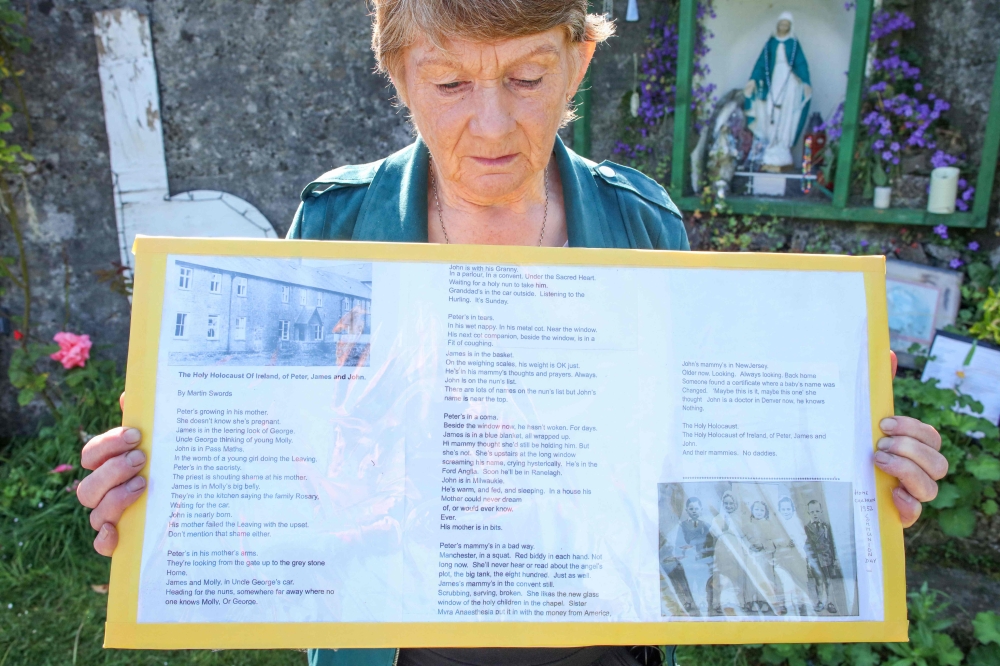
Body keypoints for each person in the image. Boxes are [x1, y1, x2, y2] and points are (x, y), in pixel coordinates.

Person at [74, 1, 950, 664]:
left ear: (578, 62)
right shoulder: (338, 222)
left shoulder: (643, 224)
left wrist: (843, 485)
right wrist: (168, 493)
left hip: (602, 645)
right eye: (450, 82)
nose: (491, 125)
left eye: (527, 79)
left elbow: (685, 458)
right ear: (398, 74)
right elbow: (293, 451)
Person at [743, 11, 812, 172]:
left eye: (787, 25)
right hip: (773, 81)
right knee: (769, 111)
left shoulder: (794, 44)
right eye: (781, 24)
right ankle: (770, 144)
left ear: (790, 26)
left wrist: (805, 83)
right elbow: (762, 62)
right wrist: (753, 79)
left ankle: (782, 146)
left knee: (786, 114)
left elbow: (801, 64)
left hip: (790, 83)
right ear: (777, 25)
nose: (783, 27)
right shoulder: (771, 43)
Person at [708, 490, 747, 615]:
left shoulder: (740, 518)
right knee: (721, 576)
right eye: (726, 503)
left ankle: (738, 602)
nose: (729, 506)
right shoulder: (717, 519)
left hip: (736, 549)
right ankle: (718, 603)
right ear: (723, 504)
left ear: (735, 504)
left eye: (731, 503)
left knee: (737, 576)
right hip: (722, 549)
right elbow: (714, 533)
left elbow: (743, 533)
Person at [674, 497, 714, 613]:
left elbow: (710, 544)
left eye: (696, 508)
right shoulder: (683, 526)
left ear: (701, 509)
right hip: (688, 559)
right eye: (691, 509)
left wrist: (707, 556)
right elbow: (679, 543)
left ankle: (701, 601)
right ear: (687, 510)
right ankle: (689, 601)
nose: (694, 511)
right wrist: (684, 554)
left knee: (702, 581)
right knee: (689, 581)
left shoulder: (706, 526)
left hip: (702, 560)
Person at [772, 496, 810, 616]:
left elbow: (803, 537)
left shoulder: (797, 522)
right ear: (779, 510)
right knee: (786, 582)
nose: (786, 512)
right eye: (783, 509)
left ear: (793, 510)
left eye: (788, 509)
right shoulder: (776, 524)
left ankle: (800, 604)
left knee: (799, 581)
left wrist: (796, 544)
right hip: (782, 557)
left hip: (796, 557)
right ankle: (788, 604)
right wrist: (784, 544)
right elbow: (774, 540)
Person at [805, 500, 842, 615]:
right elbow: (806, 544)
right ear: (808, 513)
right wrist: (808, 559)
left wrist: (835, 558)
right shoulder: (807, 527)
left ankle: (830, 602)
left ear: (821, 511)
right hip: (815, 559)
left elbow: (832, 542)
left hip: (827, 558)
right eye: (812, 512)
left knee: (828, 580)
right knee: (819, 581)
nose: (815, 514)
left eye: (817, 511)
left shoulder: (826, 526)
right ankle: (821, 601)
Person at [742, 500, 778, 614]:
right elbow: (743, 539)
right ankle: (753, 601)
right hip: (752, 555)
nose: (758, 512)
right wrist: (750, 546)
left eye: (761, 510)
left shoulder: (769, 525)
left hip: (765, 556)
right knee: (752, 578)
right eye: (756, 509)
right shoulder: (747, 525)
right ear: (752, 511)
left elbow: (773, 540)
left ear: (765, 512)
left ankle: (765, 601)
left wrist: (763, 545)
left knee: (765, 578)